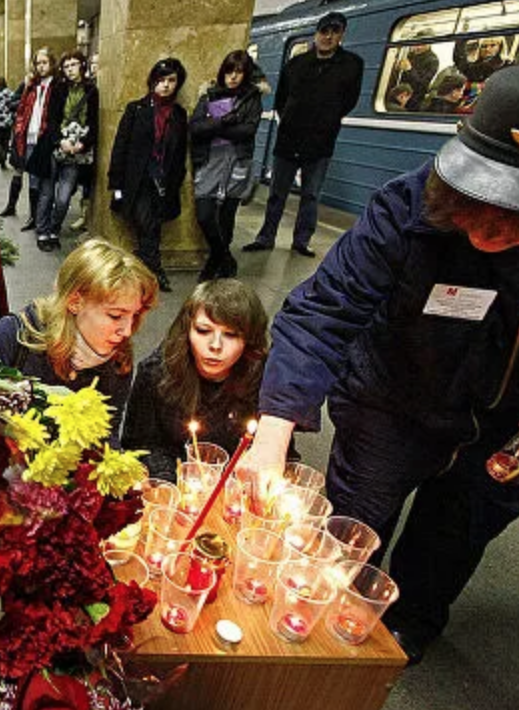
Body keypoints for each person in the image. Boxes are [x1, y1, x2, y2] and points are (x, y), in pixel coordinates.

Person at [237, 66, 519, 666]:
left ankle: (407, 635)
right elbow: (321, 314)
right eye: (479, 205)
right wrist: (273, 430)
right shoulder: (408, 206)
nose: (489, 229)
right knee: (348, 539)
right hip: (388, 405)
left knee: (450, 542)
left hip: (497, 427)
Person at [0, 239, 159, 445]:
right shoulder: (11, 338)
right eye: (116, 316)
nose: (127, 331)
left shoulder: (119, 360)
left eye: (135, 316)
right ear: (74, 302)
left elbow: (107, 435)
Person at [242, 11, 363, 258]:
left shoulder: (352, 65)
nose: (328, 37)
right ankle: (266, 236)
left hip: (321, 141)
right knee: (277, 193)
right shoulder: (296, 64)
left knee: (310, 194)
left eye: (334, 32)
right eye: (324, 31)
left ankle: (301, 241)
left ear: (342, 35)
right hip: (289, 138)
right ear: (316, 33)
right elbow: (282, 99)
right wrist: (292, 118)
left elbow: (349, 100)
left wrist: (326, 119)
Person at [121, 279, 269, 481]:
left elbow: (277, 451)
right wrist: (170, 480)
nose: (215, 345)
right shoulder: (155, 373)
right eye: (203, 330)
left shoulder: (263, 377)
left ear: (249, 340)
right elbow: (140, 445)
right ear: (187, 329)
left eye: (231, 334)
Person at [108, 57, 188, 293]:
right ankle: (154, 269)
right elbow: (121, 144)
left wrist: (177, 179)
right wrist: (116, 181)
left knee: (153, 224)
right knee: (147, 223)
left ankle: (143, 264)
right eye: (160, 80)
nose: (165, 85)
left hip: (164, 180)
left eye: (171, 80)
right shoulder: (137, 109)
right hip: (138, 179)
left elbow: (181, 150)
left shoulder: (178, 114)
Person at [190, 50, 263, 281]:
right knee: (204, 214)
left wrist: (215, 126)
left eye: (238, 72)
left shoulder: (252, 98)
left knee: (227, 215)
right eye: (229, 71)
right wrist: (223, 121)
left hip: (237, 160)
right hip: (210, 159)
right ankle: (224, 257)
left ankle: (215, 261)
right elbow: (195, 128)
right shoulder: (209, 96)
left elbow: (248, 130)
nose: (233, 77)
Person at [34, 49, 99, 252]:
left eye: (74, 65)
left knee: (63, 197)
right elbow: (51, 119)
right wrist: (59, 141)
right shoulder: (59, 89)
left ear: (82, 65)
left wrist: (84, 143)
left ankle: (54, 228)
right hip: (55, 147)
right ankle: (43, 231)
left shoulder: (92, 91)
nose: (70, 69)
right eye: (66, 66)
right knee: (47, 192)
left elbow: (95, 122)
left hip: (77, 151)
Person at [0, 48, 56, 228]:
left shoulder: (55, 86)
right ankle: (17, 208)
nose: (40, 66)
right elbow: (13, 103)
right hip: (24, 136)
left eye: (44, 62)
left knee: (38, 180)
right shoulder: (29, 85)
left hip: (43, 137)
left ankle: (37, 217)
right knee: (24, 174)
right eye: (38, 63)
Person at [394, 41, 439, 111]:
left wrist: (409, 69)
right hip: (399, 94)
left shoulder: (433, 61)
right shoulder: (410, 54)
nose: (418, 47)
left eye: (422, 44)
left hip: (414, 100)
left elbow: (422, 84)